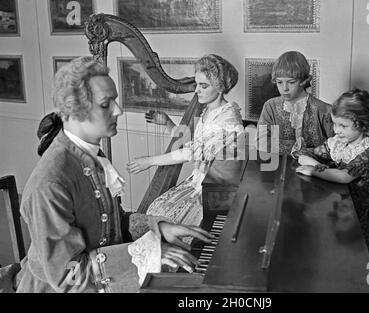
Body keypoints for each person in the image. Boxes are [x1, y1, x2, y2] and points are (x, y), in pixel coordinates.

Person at [13, 56, 212, 293]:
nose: (118, 110)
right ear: (75, 111)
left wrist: (157, 227)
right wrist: (150, 254)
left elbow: (111, 221)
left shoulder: (91, 156)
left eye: (115, 101)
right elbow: (69, 275)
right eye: (107, 104)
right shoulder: (50, 182)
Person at [295, 89, 369, 293]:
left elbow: (344, 176)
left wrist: (314, 169)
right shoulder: (339, 143)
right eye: (334, 123)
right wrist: (313, 162)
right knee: (353, 270)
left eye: (343, 125)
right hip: (350, 214)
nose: (336, 130)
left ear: (362, 123)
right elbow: (304, 154)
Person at [127, 54, 244, 227]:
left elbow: (189, 152)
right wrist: (167, 123)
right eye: (197, 84)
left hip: (213, 189)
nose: (197, 90)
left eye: (203, 86)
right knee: (156, 212)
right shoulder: (210, 111)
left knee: (162, 218)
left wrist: (149, 161)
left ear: (219, 87)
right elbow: (194, 144)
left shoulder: (227, 119)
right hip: (197, 181)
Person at [257, 51, 334, 154]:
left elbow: (337, 147)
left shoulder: (325, 110)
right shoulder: (270, 106)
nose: (284, 89)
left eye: (291, 82)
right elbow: (261, 142)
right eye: (279, 82)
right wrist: (298, 149)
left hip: (316, 168)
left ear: (304, 80)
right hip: (278, 167)